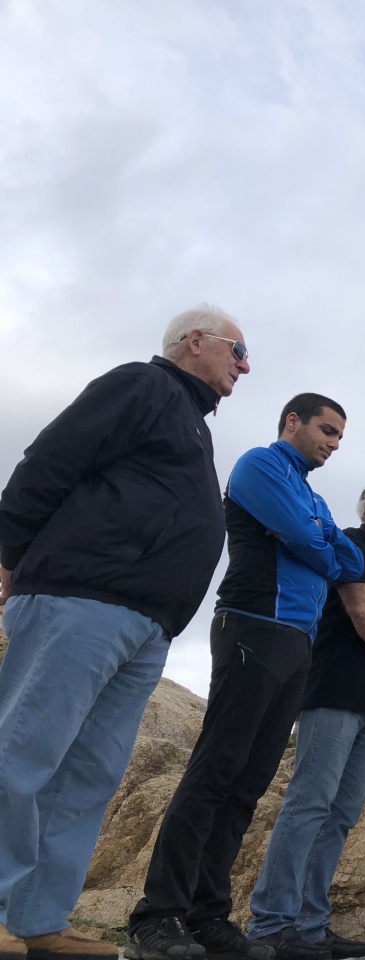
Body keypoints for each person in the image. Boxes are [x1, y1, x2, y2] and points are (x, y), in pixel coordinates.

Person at [0, 307, 250, 960]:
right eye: (238, 349)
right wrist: (8, 556)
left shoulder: (191, 420)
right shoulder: (143, 384)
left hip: (146, 625)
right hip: (82, 597)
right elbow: (50, 460)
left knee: (87, 776)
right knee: (22, 751)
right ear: (195, 342)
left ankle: (38, 920)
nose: (245, 365)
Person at [128, 394, 365, 960]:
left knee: (247, 786)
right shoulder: (260, 464)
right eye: (326, 430)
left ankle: (208, 916)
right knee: (215, 772)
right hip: (253, 625)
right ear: (293, 422)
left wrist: (317, 539)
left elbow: (350, 561)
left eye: (340, 437)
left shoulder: (311, 494)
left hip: (298, 642)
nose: (333, 444)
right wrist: (317, 541)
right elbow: (313, 544)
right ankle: (157, 916)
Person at [246, 478, 365, 960]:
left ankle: (310, 926)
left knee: (342, 814)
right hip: (334, 692)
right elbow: (360, 609)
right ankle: (271, 923)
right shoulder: (353, 544)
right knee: (310, 804)